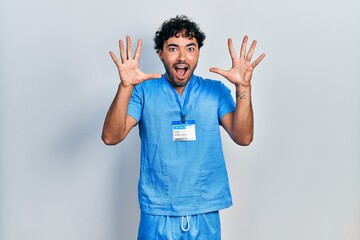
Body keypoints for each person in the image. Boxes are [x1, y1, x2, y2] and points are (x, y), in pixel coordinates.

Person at [102, 15, 265, 240]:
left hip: (204, 208)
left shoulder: (215, 91)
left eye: (190, 48)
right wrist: (125, 86)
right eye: (173, 49)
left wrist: (243, 88)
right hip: (158, 210)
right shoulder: (143, 91)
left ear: (198, 53)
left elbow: (243, 137)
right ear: (160, 53)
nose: (182, 57)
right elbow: (111, 136)